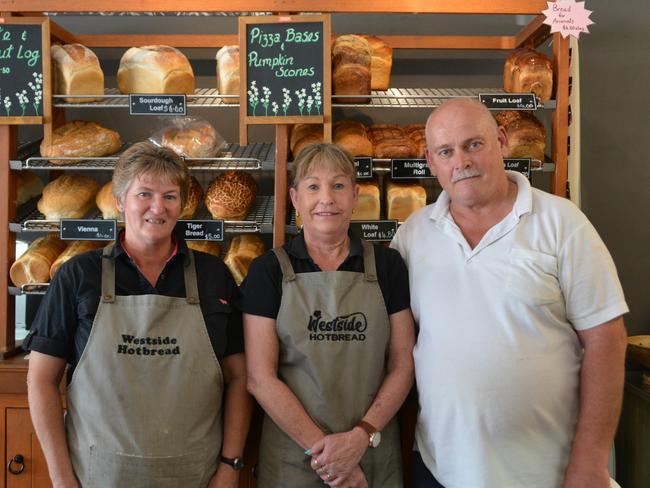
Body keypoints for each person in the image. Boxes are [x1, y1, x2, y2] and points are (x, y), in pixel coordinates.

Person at [391, 98, 629, 488]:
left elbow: (607, 340)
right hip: (440, 469)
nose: (461, 161)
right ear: (431, 162)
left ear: (502, 142)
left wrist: (590, 462)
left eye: (473, 144)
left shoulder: (561, 222)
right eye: (445, 151)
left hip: (548, 473)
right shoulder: (413, 235)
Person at [25, 141, 252, 488]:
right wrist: (60, 478)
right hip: (98, 475)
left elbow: (238, 377)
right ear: (120, 201)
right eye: (144, 194)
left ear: (181, 204)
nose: (157, 208)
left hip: (195, 475)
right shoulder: (78, 276)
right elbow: (41, 380)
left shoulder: (213, 276)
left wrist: (230, 466)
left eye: (170, 196)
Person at [241, 143, 415, 487]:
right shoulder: (268, 271)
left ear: (355, 194)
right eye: (312, 186)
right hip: (295, 459)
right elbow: (260, 378)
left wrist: (359, 438)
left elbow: (402, 365)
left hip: (372, 451)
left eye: (338, 185)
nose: (326, 199)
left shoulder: (387, 266)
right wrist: (333, 459)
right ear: (294, 198)